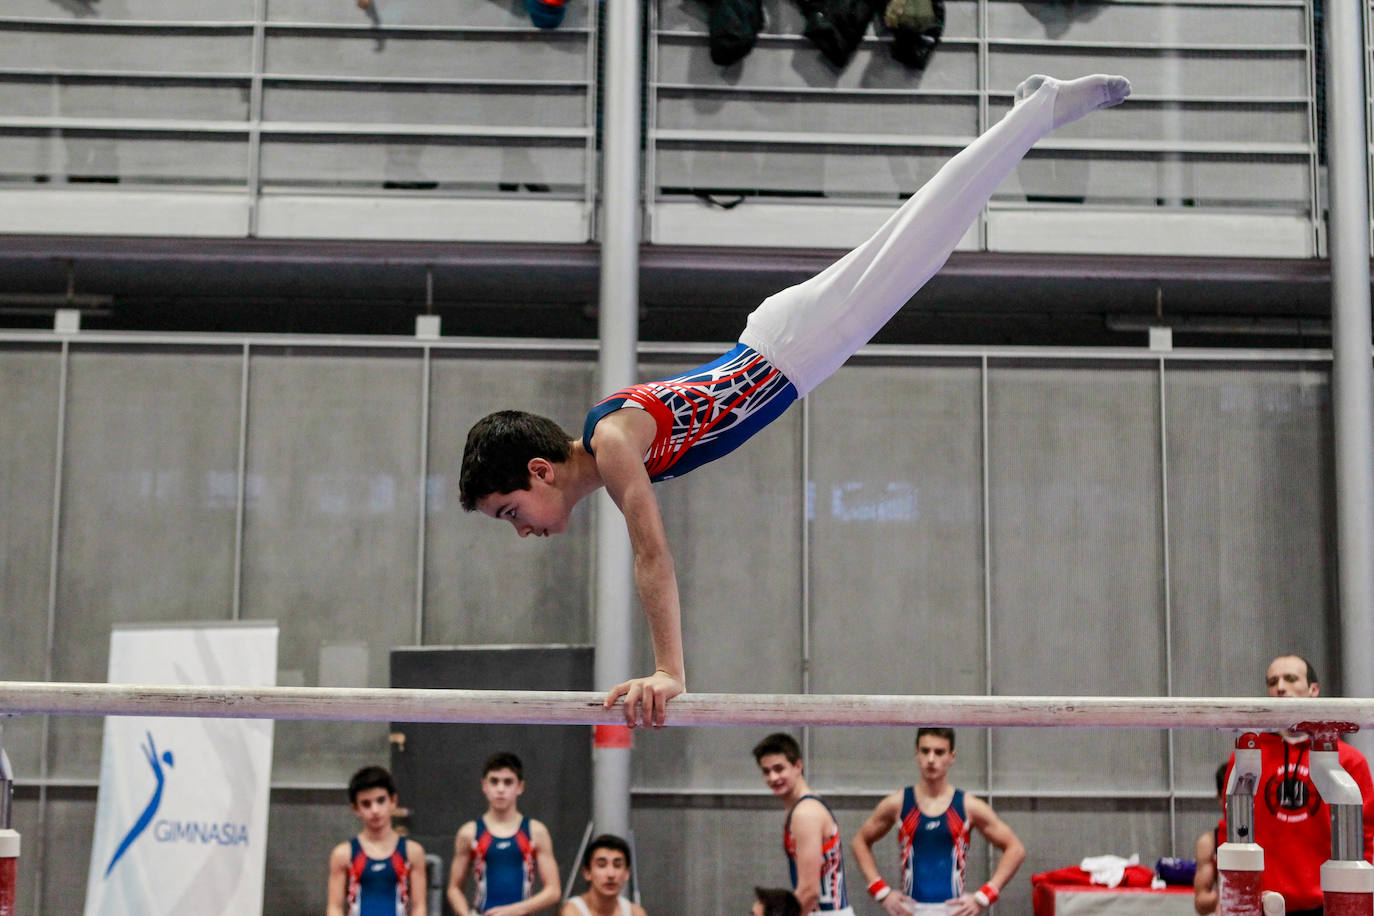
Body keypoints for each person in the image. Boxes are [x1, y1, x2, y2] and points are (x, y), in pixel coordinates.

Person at [458, 72, 1132, 728]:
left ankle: (1036, 112)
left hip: (790, 347)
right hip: (792, 352)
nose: (521, 529)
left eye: (510, 511)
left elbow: (652, 555)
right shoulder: (606, 449)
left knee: (924, 235)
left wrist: (671, 672)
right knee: (925, 239)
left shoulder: (609, 443)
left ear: (540, 471)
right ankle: (1020, 121)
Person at [1218, 654, 1374, 915]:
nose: (1280, 687)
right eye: (1272, 681)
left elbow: (1368, 836)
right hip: (1265, 903)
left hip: (1327, 902)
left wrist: (1360, 898)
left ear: (1313, 690)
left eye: (1290, 679)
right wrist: (1231, 893)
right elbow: (1228, 831)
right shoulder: (1246, 760)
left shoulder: (1348, 760)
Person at [851, 728, 1025, 915]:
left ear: (952, 756)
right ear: (916, 754)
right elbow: (859, 842)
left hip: (952, 910)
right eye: (925, 751)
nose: (931, 759)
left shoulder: (969, 806)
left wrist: (984, 896)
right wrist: (882, 892)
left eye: (939, 752)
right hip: (911, 909)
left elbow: (1015, 849)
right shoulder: (898, 803)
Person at [447, 752, 561, 915]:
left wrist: (514, 910)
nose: (500, 789)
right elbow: (454, 888)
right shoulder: (469, 833)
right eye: (494, 781)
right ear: (484, 785)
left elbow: (553, 890)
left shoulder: (536, 832)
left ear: (520, 787)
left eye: (508, 782)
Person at [753, 732, 854, 914]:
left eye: (779, 769)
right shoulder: (799, 809)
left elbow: (809, 891)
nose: (773, 778)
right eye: (766, 771)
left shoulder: (806, 813)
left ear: (798, 766)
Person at [327, 765, 428, 916]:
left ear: (393, 801)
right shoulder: (343, 854)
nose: (375, 810)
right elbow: (334, 908)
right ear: (355, 809)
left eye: (381, 801)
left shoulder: (412, 852)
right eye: (366, 804)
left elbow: (419, 907)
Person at [559, 834, 647, 916]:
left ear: (627, 873)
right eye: (602, 865)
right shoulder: (572, 912)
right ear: (587, 872)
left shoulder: (635, 913)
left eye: (617, 865)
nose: (611, 874)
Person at [1193, 762, 1228, 915]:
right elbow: (1201, 902)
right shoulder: (1209, 843)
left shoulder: (1271, 837)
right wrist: (1228, 897)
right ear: (1220, 797)